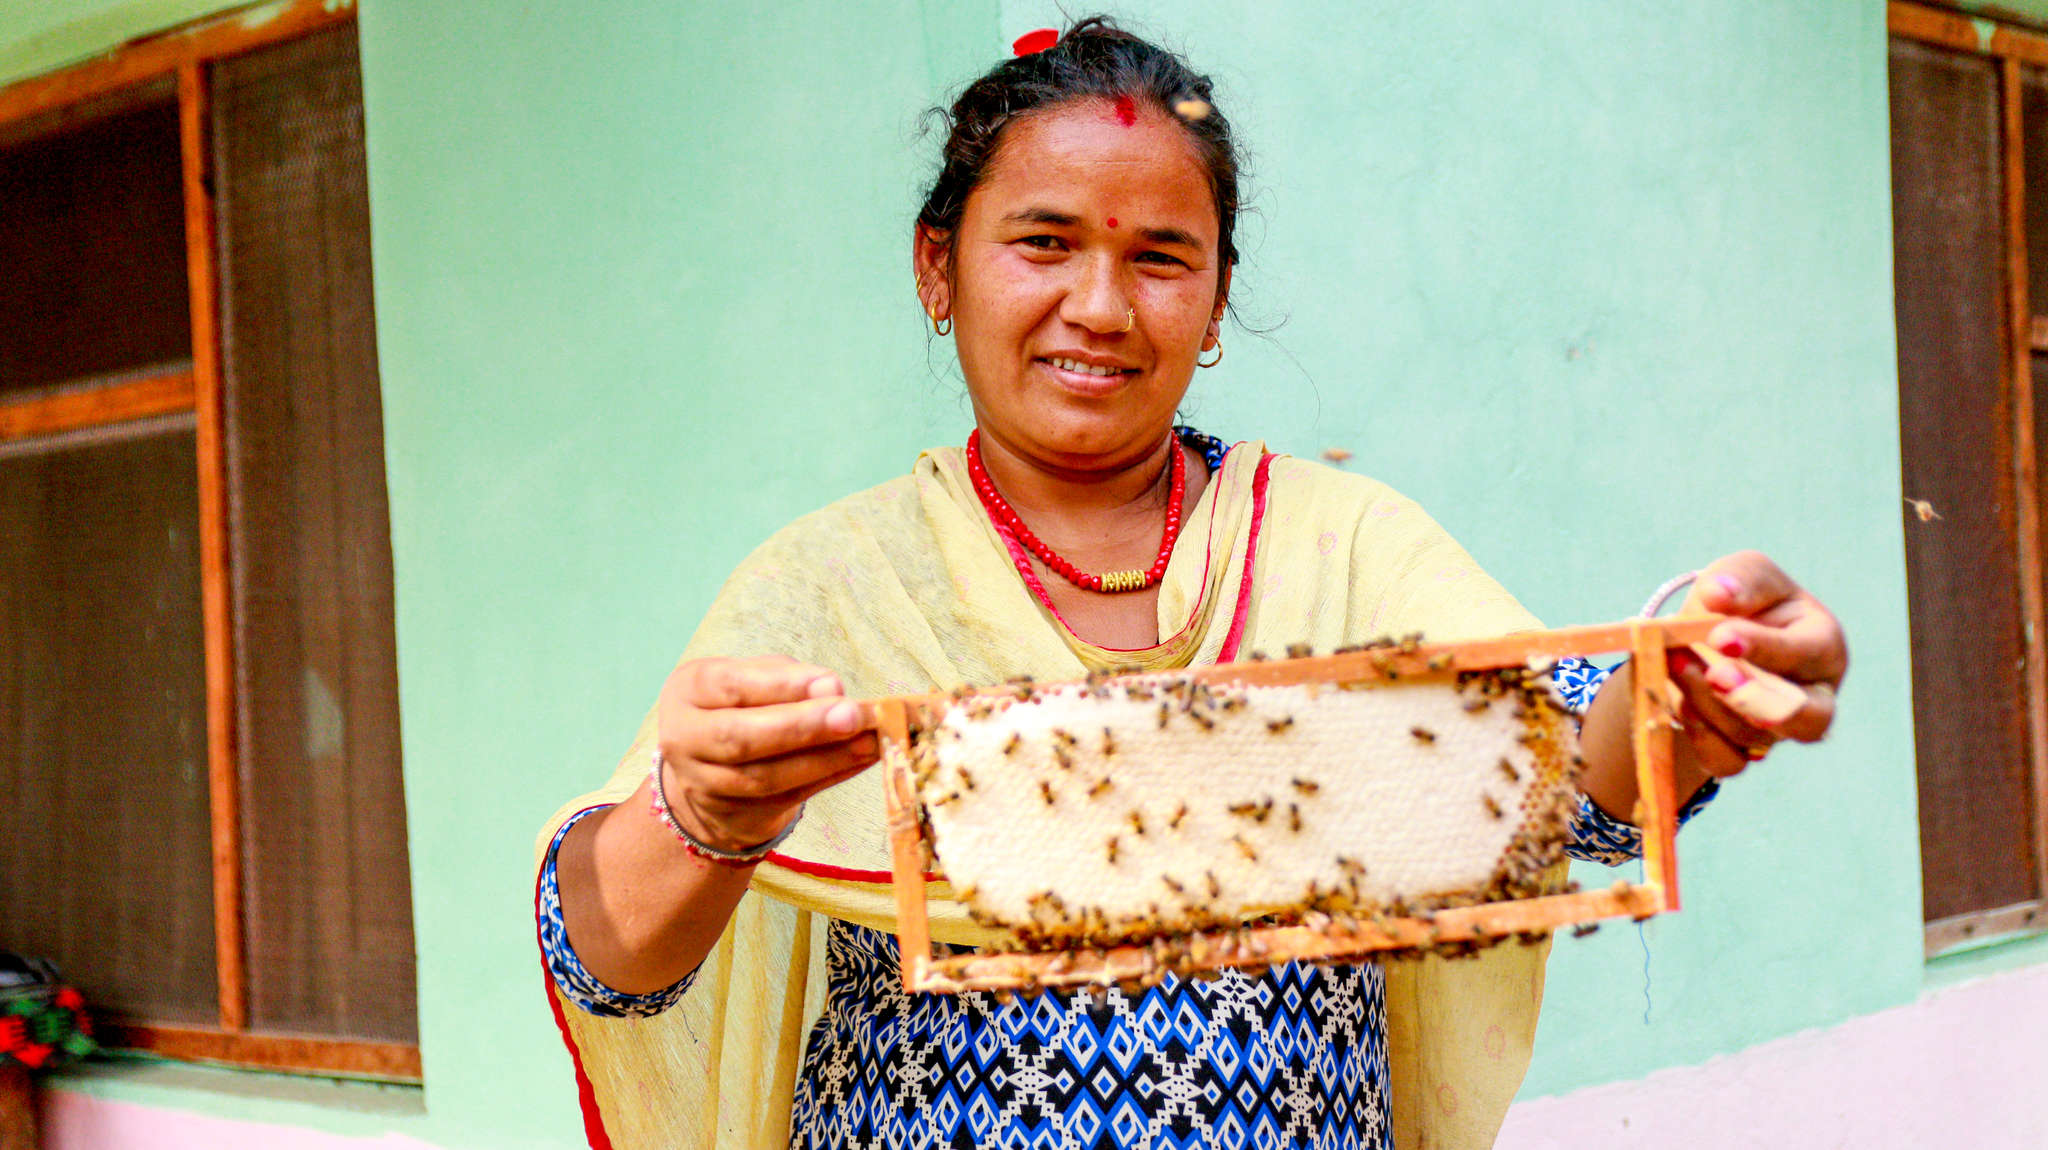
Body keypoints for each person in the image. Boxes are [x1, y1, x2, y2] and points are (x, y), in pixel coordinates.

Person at [534, 20, 1847, 1150]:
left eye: (1161, 256)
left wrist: (1684, 682)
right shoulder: (839, 581)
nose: (1099, 306)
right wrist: (698, 813)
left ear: (1218, 299)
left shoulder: (1336, 549)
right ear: (937, 267)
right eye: (1042, 242)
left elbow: (1550, 756)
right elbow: (611, 953)